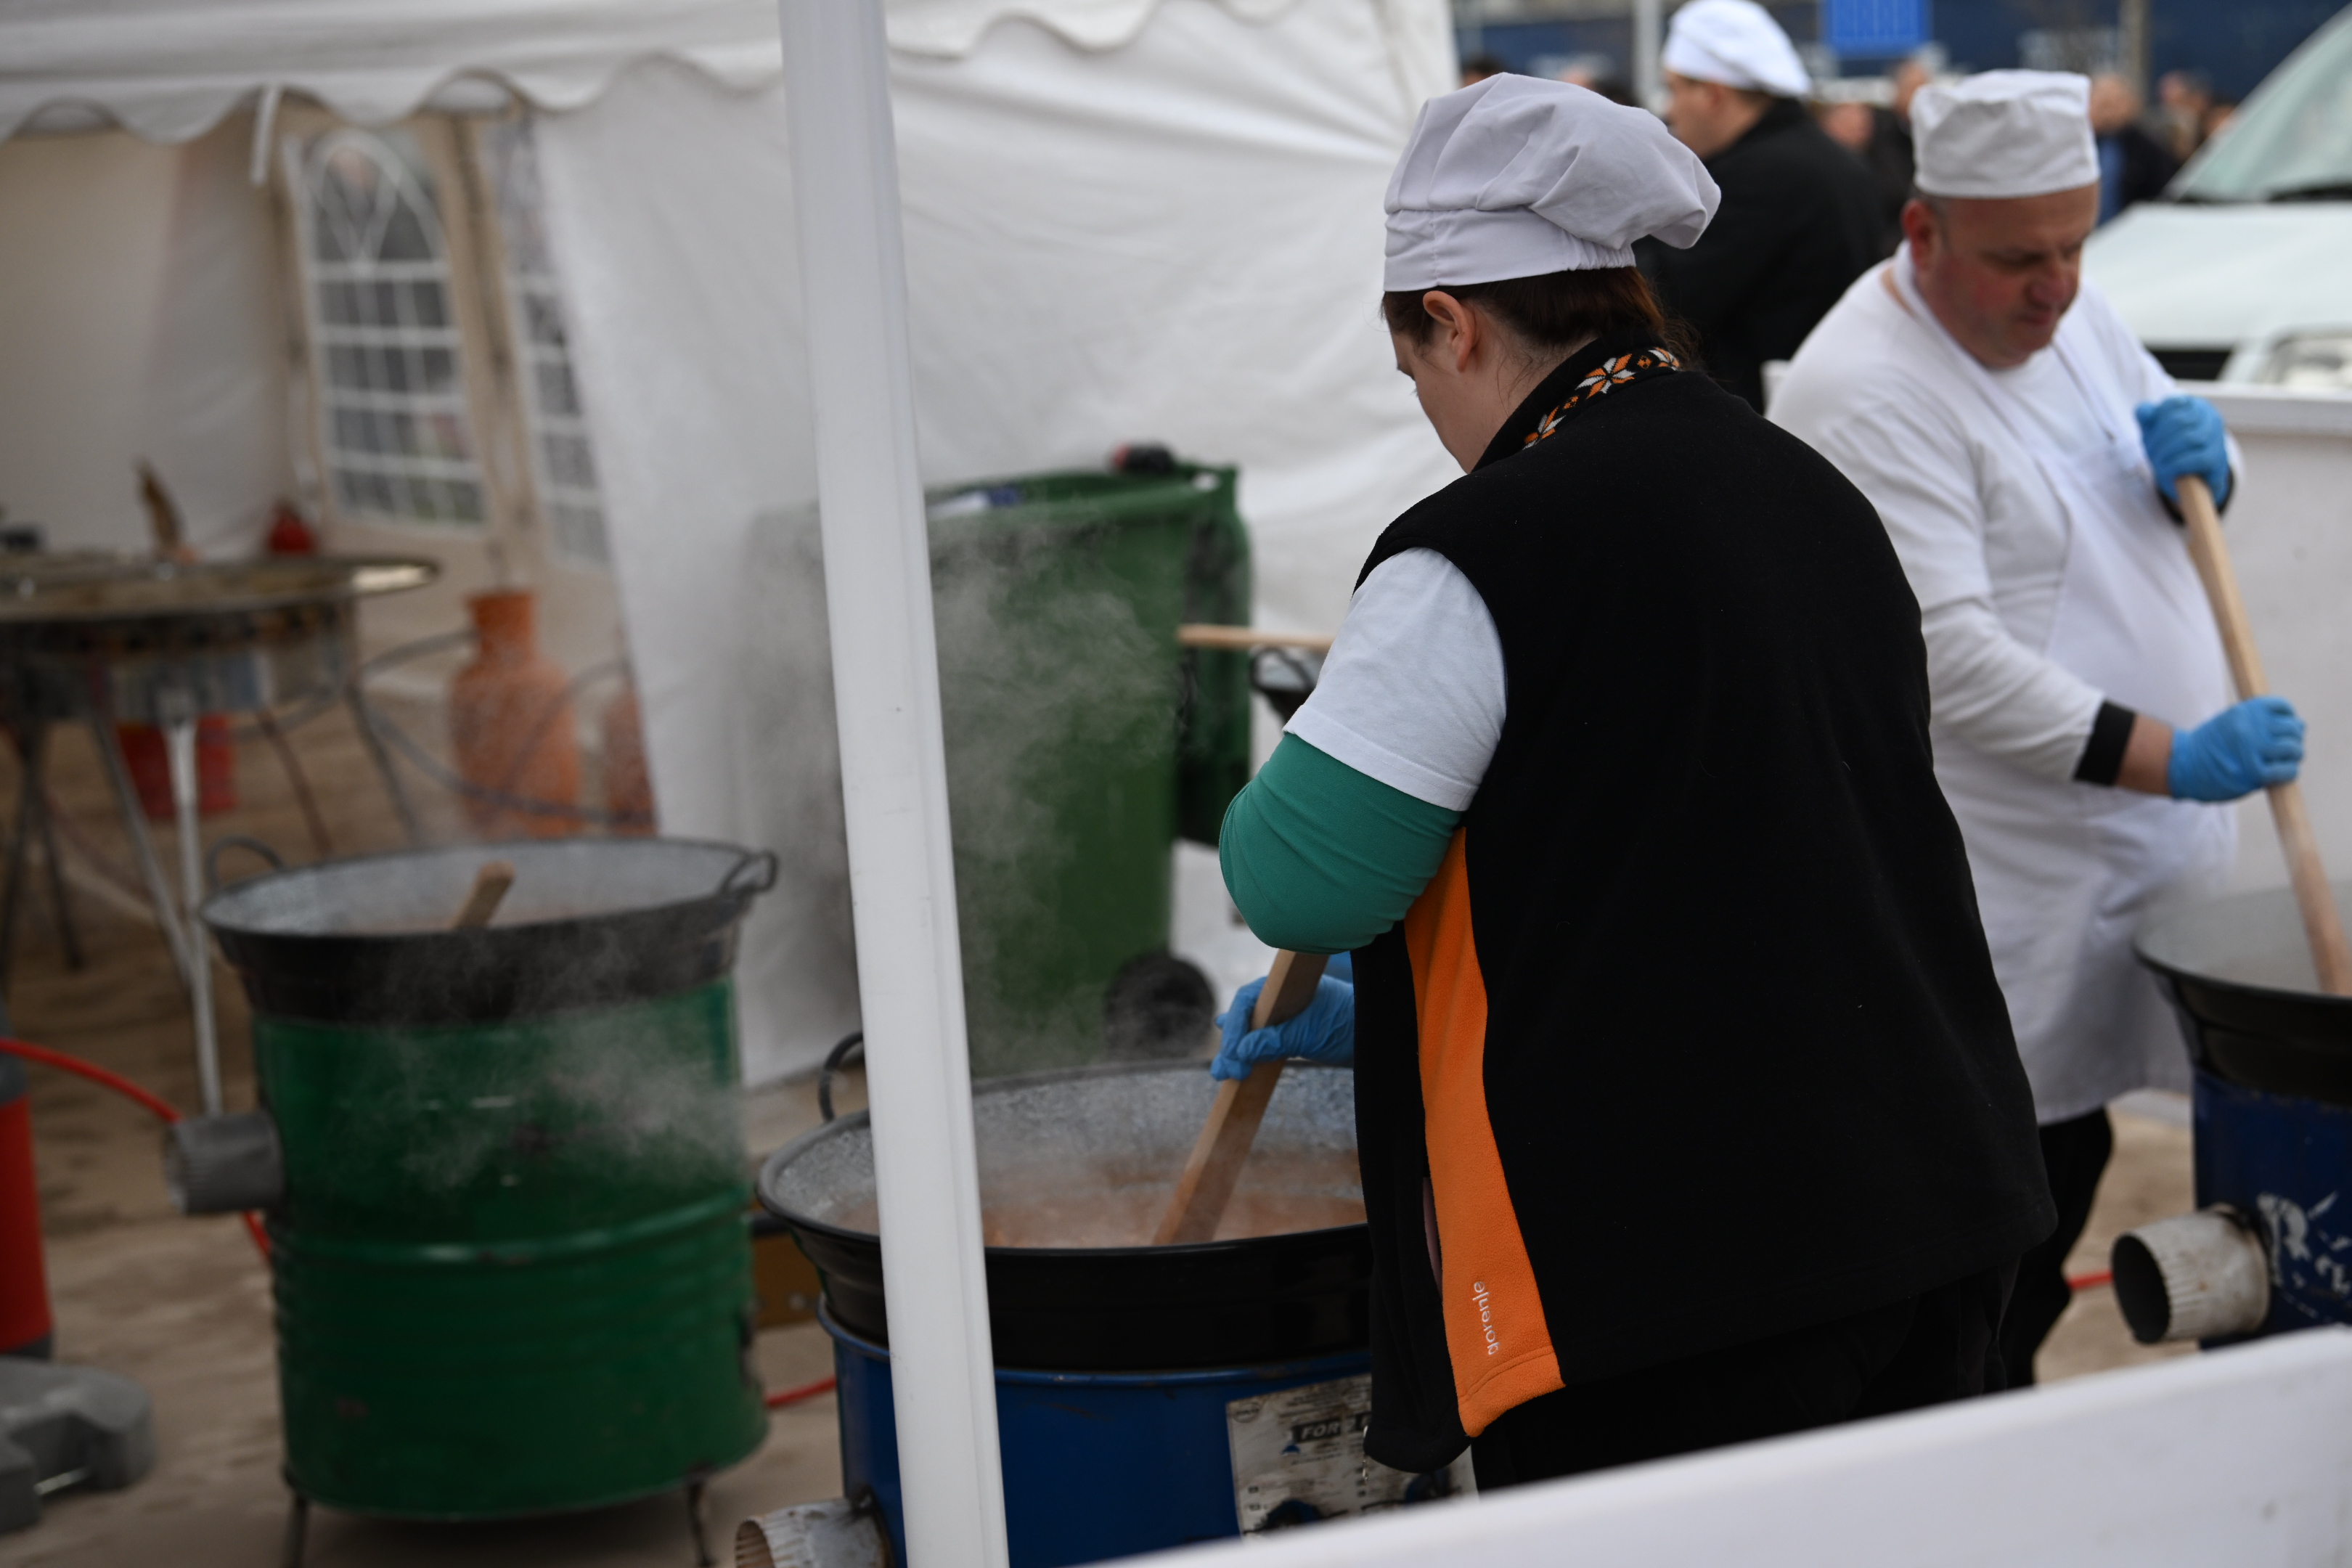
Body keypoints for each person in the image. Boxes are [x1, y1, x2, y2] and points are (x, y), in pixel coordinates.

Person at [1210, 74, 2054, 1490]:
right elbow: (1704, 854)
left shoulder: (1487, 543)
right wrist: (1434, 1014)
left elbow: (1293, 876)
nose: (1428, 412)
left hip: (1685, 1287)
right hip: (1932, 1207)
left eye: (1415, 370)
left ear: (1452, 321)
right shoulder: (1805, 491)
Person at [1771, 70, 2306, 1384]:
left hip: (2110, 864)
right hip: (2003, 885)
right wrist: (2177, 760)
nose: (2057, 286)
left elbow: (2137, 466)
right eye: (2020, 258)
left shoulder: (2066, 302)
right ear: (1922, 234)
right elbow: (1944, 657)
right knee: (1993, 1211)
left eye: (2075, 245)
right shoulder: (1869, 388)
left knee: (2066, 1167)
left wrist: (2205, 464)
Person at [1630, 0, 1882, 409]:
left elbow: (1661, 300)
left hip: (1779, 418)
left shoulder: (1760, 176)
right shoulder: (1826, 159)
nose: (1670, 109)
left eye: (1674, 89)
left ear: (1712, 94)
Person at [2089, 73, 2179, 223]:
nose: (2108, 112)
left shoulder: (2149, 150)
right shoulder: (2077, 147)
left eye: (2114, 103)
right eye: (2102, 103)